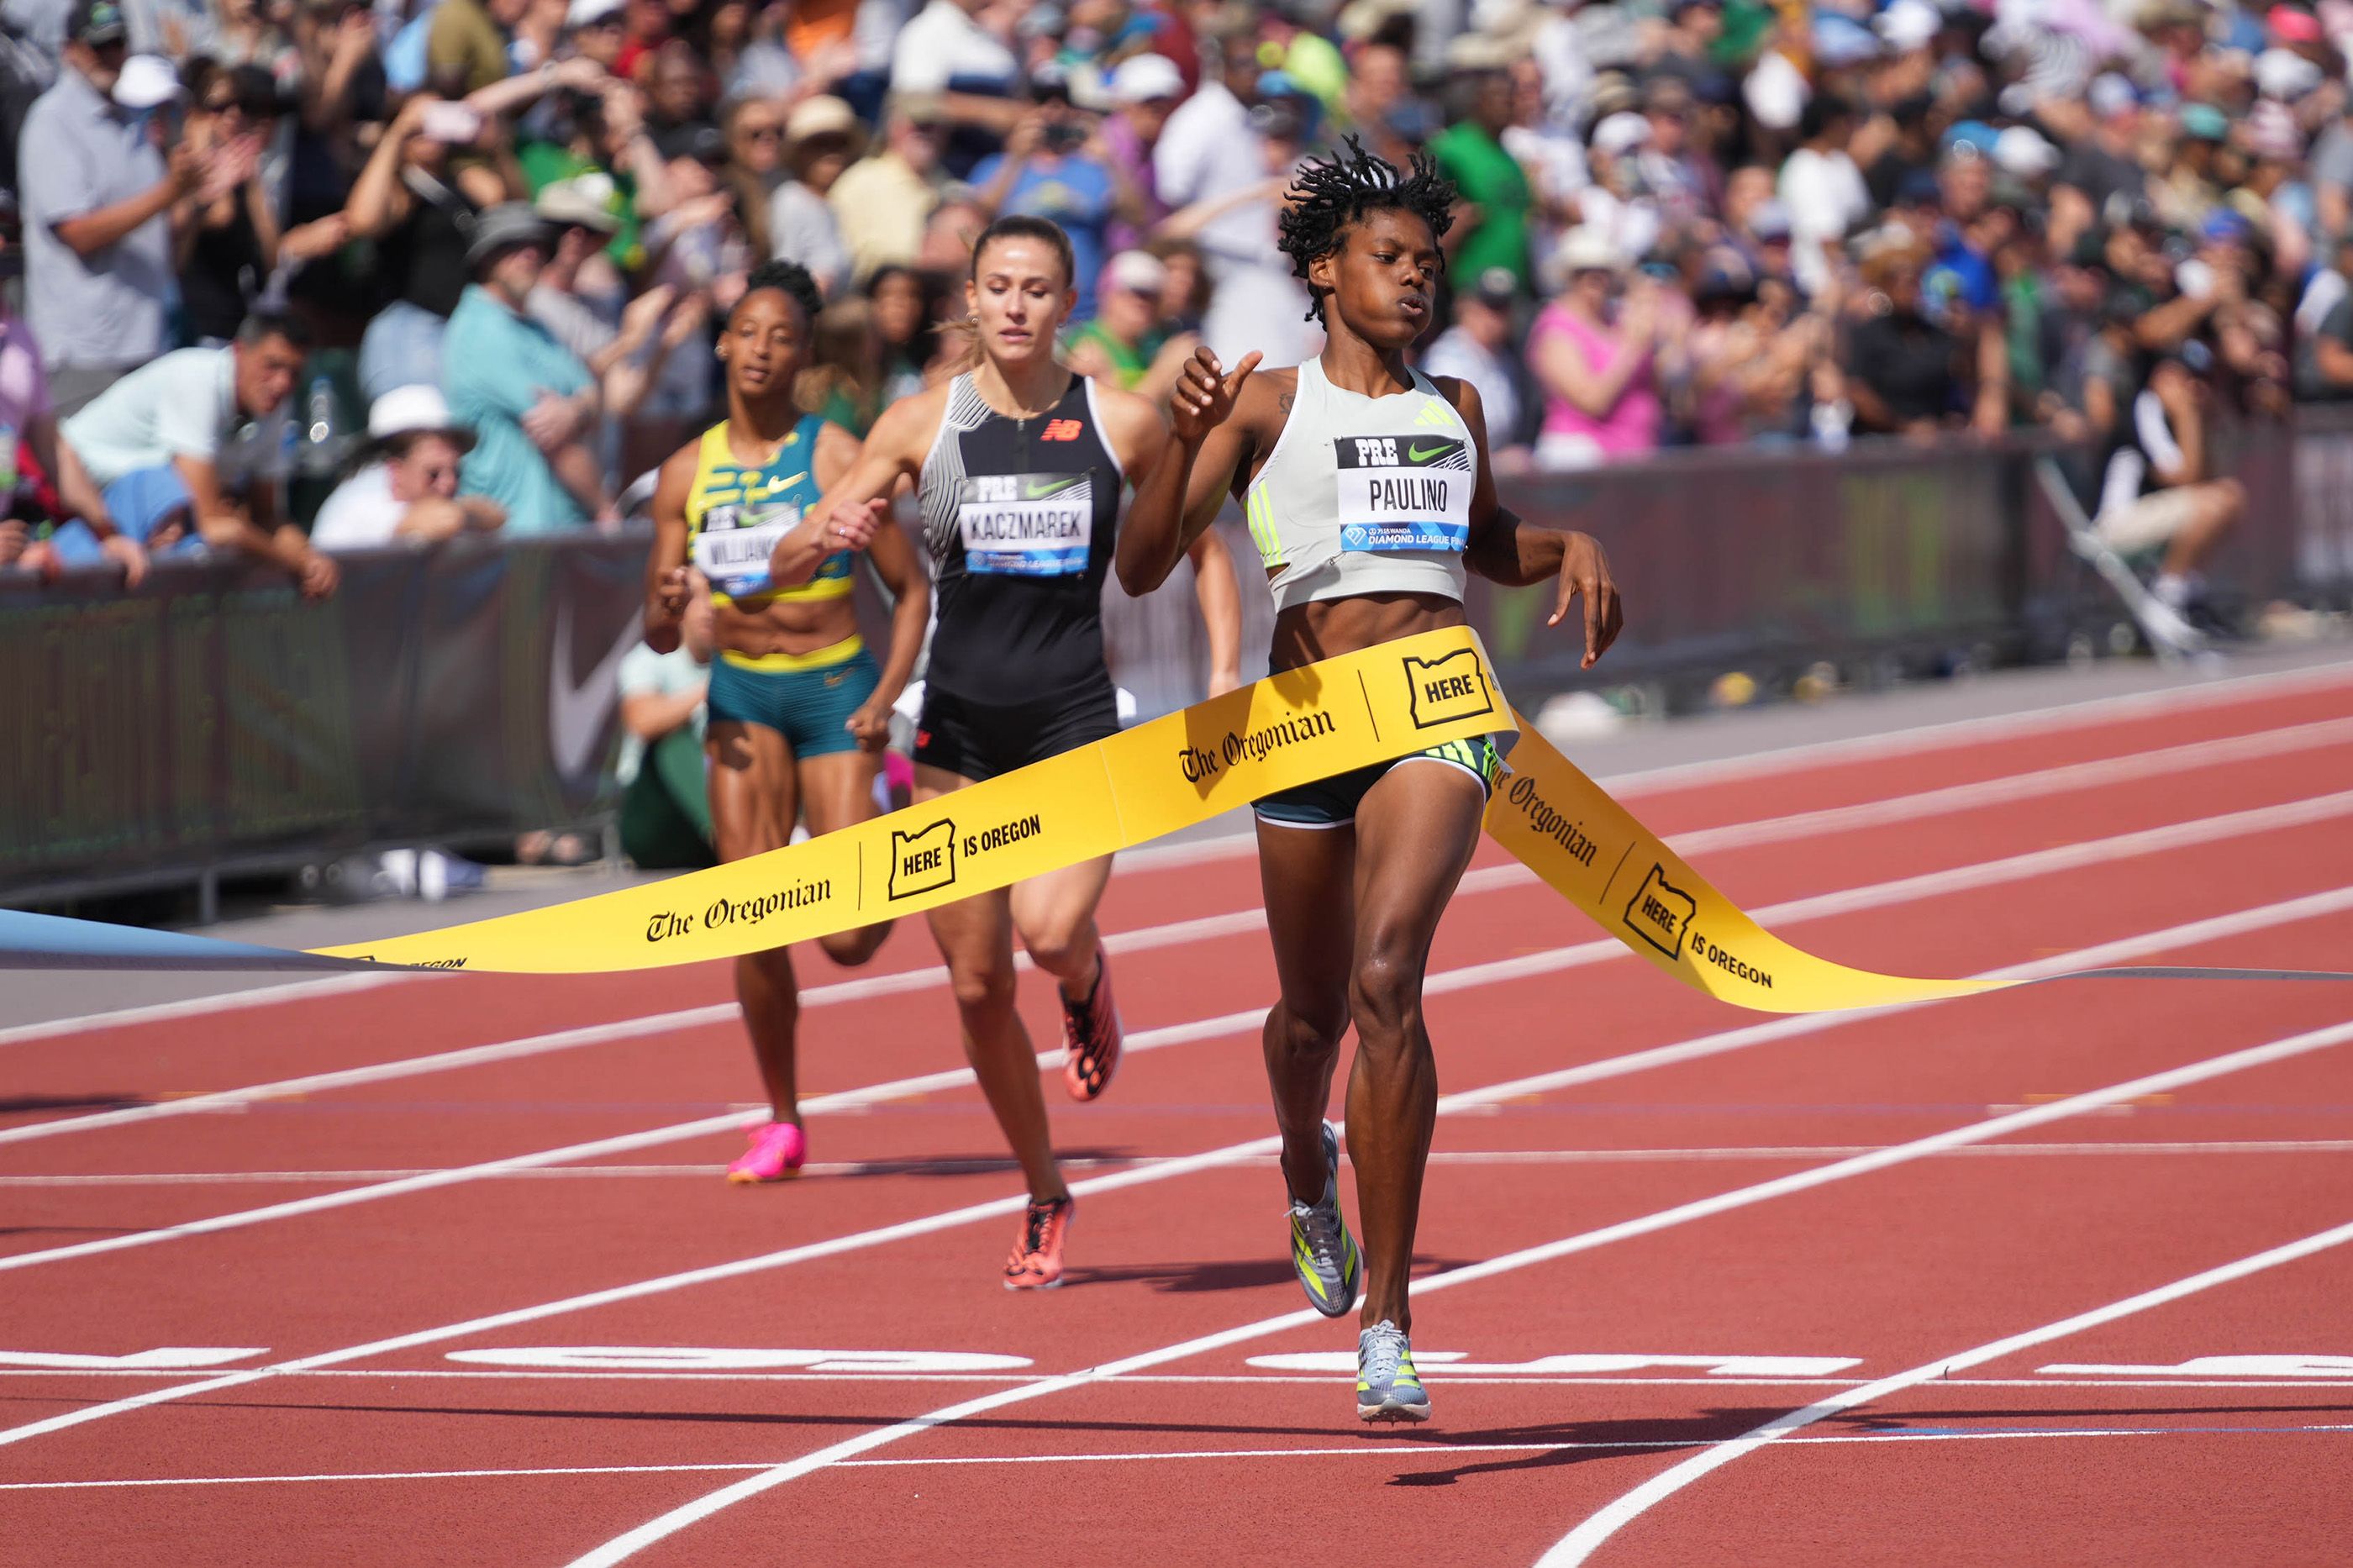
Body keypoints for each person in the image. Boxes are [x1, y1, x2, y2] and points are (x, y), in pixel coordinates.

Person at [1116, 139, 1619, 1420]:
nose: (1416, 282)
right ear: (1325, 269)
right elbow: (1141, 565)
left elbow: (1491, 541)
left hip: (1435, 710)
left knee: (1388, 976)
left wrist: (1574, 541)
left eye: (1429, 265)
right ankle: (1302, 1163)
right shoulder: (1266, 404)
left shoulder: (1455, 406)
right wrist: (1177, 451)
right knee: (1310, 1015)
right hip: (1301, 730)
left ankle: (1389, 1325)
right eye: (1389, 260)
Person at [795, 214, 1181, 1289]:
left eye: (1037, 289)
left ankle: (1088, 975)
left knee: (1050, 932)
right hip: (957, 733)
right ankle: (1045, 1190)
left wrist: (1239, 664)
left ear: (1068, 305)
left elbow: (1204, 532)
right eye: (997, 286)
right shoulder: (922, 422)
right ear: (970, 298)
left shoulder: (1121, 420)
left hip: (1070, 721)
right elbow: (801, 544)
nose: (1015, 306)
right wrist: (811, 542)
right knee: (974, 988)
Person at [643, 257, 930, 1185]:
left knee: (845, 939)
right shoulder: (687, 471)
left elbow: (909, 585)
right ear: (722, 343)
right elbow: (656, 628)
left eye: (781, 338)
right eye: (747, 333)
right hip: (741, 694)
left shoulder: (837, 454)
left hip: (831, 690)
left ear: (802, 355)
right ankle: (780, 1116)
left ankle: (887, 817)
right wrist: (669, 597)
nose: (761, 350)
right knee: (750, 916)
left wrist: (886, 695)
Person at [53, 311, 339, 596]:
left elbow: (266, 516)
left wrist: (311, 558)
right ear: (239, 351)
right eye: (272, 365)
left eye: (294, 373)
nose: (282, 383)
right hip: (65, 505)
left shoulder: (276, 404)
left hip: (127, 523)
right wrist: (295, 563)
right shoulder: (195, 379)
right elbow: (216, 528)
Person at [19, 0, 197, 413]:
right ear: (70, 51)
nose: (111, 56)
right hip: (85, 353)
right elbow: (78, 233)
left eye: (117, 44)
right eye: (98, 46)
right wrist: (170, 192)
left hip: (147, 340)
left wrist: (196, 197)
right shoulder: (52, 121)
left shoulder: (135, 119)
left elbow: (158, 230)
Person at [442, 202, 608, 529]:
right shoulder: (481, 332)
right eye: (514, 245)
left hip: (557, 529)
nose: (531, 254)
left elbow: (594, 395)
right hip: (515, 533)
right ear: (485, 256)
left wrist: (576, 411)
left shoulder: (535, 327)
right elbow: (555, 439)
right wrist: (606, 511)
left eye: (539, 246)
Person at [310, 382, 508, 547]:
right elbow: (447, 520)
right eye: (433, 473)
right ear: (395, 470)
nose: (449, 483)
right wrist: (468, 515)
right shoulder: (362, 498)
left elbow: (497, 517)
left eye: (456, 472)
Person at [619, 566, 716, 870]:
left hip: (727, 790)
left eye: (716, 596)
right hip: (658, 815)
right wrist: (712, 688)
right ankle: (724, 832)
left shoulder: (744, 656)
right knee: (672, 740)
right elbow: (642, 722)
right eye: (697, 598)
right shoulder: (648, 659)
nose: (708, 609)